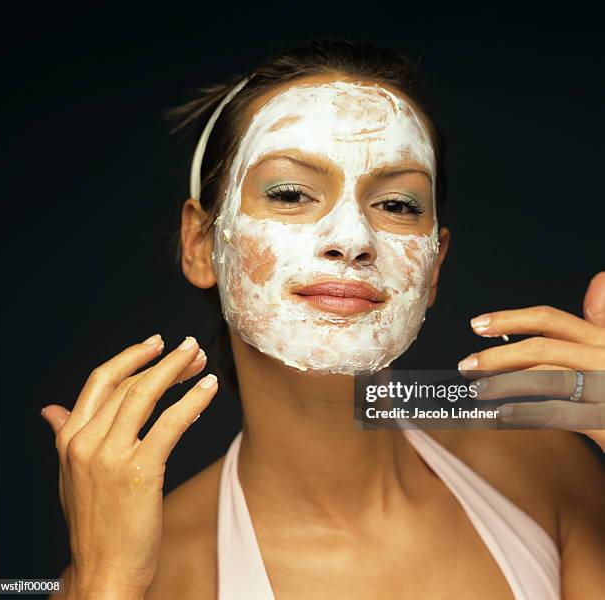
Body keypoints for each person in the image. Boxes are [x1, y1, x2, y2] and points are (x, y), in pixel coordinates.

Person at [43, 39, 605, 599]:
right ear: (201, 244)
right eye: (291, 194)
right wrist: (104, 581)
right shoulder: (143, 576)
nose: (352, 240)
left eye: (398, 205)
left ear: (434, 263)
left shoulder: (539, 469)